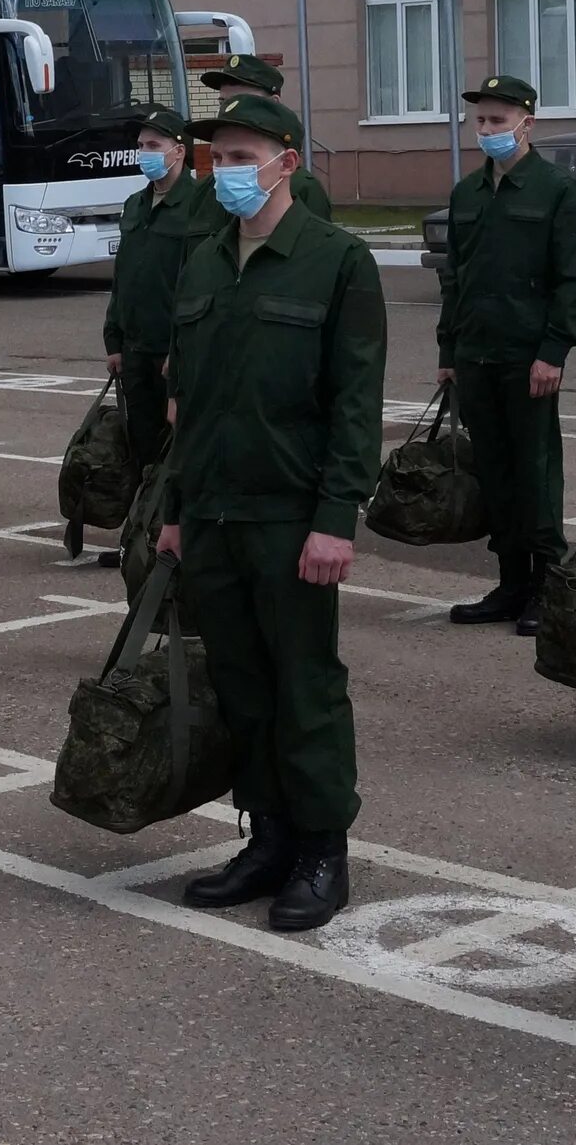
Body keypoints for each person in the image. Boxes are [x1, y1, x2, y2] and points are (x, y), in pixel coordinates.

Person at [147, 95, 383, 931]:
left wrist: (335, 516)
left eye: (244, 156)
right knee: (242, 683)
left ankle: (323, 848)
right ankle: (268, 835)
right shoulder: (206, 259)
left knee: (305, 685)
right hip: (211, 510)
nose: (227, 172)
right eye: (218, 158)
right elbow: (194, 401)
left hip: (290, 514)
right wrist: (174, 508)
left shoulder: (336, 260)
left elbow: (355, 403)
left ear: (288, 162)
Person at [437, 74, 576, 636]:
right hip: (477, 356)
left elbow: (571, 282)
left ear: (527, 123)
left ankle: (549, 586)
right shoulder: (466, 194)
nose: (487, 130)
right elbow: (456, 278)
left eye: (498, 121)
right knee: (496, 474)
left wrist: (554, 352)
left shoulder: (556, 190)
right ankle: (511, 583)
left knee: (535, 473)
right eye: (480, 121)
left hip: (529, 359)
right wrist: (449, 349)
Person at [104, 105, 198, 478]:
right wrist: (114, 340)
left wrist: (180, 350)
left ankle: (174, 522)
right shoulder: (136, 204)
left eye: (153, 145)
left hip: (170, 350)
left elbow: (197, 285)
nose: (144, 153)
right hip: (134, 350)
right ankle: (145, 521)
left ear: (179, 150)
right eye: (141, 145)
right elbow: (123, 277)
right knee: (141, 444)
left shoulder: (200, 205)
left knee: (177, 445)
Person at [192, 53, 333, 221]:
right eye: (223, 102)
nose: (229, 110)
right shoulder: (206, 189)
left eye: (242, 100)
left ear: (274, 102)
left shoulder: (301, 188)